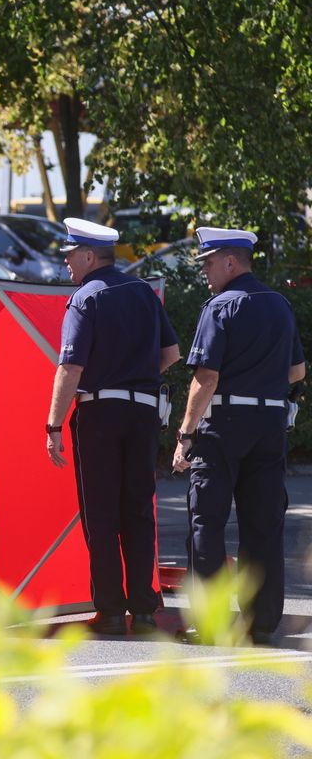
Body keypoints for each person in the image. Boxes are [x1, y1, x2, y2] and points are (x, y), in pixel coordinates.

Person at [45, 218, 180, 636]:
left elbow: (70, 367)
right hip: (143, 412)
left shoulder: (85, 299)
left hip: (99, 414)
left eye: (70, 255)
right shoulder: (142, 292)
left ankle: (108, 612)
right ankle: (142, 610)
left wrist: (53, 424)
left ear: (89, 256)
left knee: (101, 515)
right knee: (138, 511)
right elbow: (171, 353)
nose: (66, 263)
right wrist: (135, 380)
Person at [171, 226, 305, 646]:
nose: (205, 272)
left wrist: (185, 434)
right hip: (269, 426)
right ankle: (261, 623)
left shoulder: (220, 307)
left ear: (230, 262)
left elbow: (205, 377)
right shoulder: (280, 305)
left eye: (209, 263)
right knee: (263, 525)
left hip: (223, 427)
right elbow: (297, 372)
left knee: (206, 521)